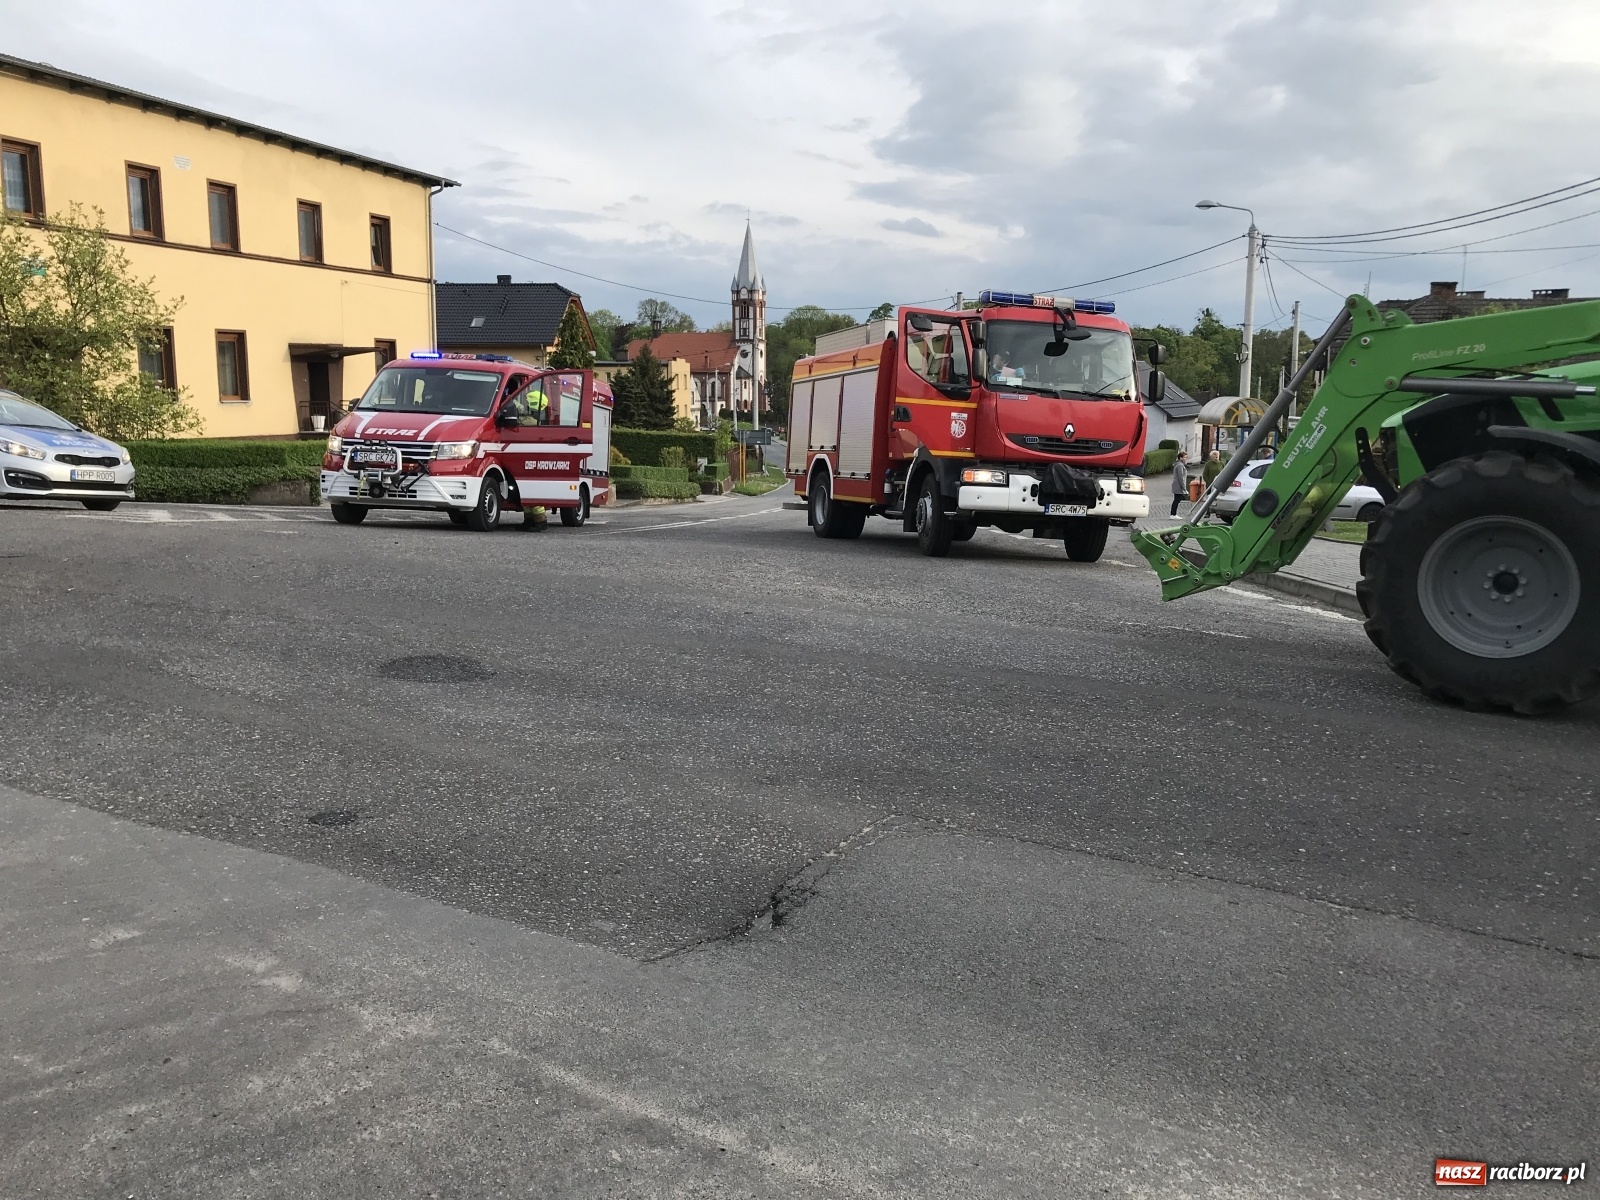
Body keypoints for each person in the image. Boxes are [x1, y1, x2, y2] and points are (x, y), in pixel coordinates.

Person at [1171, 450, 1190, 516]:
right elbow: (1181, 477)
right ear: (1181, 458)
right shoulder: (1180, 466)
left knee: (1177, 500)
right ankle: (1173, 514)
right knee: (1177, 500)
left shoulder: (1179, 465)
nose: (1186, 459)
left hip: (1177, 485)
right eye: (1185, 457)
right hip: (1178, 485)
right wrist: (1184, 488)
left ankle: (1173, 514)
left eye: (1186, 457)